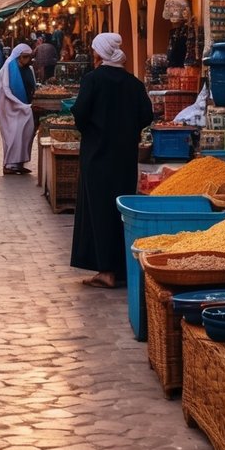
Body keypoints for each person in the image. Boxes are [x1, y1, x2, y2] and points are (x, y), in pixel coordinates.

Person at [70, 33, 153, 288]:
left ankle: (105, 270)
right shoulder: (134, 84)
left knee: (99, 211)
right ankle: (120, 267)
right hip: (124, 158)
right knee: (121, 211)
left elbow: (80, 114)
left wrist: (95, 129)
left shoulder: (92, 80)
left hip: (97, 157)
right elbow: (146, 115)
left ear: (99, 54)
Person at [0, 43, 36, 175]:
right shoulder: (7, 68)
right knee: (12, 135)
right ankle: (9, 164)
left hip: (25, 108)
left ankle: (19, 163)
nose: (28, 60)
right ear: (19, 57)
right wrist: (20, 104)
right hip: (10, 108)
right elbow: (6, 90)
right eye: (25, 57)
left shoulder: (28, 69)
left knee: (25, 134)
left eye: (29, 57)